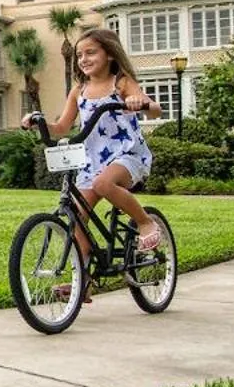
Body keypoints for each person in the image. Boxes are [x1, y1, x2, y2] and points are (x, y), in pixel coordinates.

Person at [21, 27, 164, 288]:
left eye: (90, 53)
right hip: (92, 162)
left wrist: (138, 102)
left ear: (109, 54)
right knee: (77, 218)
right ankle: (83, 283)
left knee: (103, 183)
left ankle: (145, 223)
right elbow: (62, 127)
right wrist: (38, 121)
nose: (83, 59)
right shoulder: (79, 90)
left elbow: (154, 109)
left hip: (127, 155)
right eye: (79, 55)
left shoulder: (121, 83)